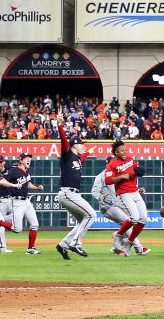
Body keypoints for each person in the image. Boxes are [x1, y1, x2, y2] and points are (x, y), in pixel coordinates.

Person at [54, 110, 95, 259]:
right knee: (91, 215)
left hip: (71, 194)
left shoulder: (77, 158)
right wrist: (60, 124)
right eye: (81, 144)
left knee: (82, 221)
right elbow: (63, 140)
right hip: (67, 193)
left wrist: (88, 153)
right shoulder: (67, 154)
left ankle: (63, 245)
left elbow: (83, 156)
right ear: (74, 146)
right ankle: (75, 243)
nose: (83, 146)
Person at [90, 159, 149, 256]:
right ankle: (139, 248)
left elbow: (125, 190)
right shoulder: (101, 176)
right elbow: (94, 191)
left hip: (118, 204)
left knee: (131, 221)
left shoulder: (120, 175)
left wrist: (138, 191)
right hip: (108, 206)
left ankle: (117, 246)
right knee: (128, 220)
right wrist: (100, 197)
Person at [104, 140, 150, 257]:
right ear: (116, 152)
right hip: (124, 194)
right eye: (122, 150)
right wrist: (122, 176)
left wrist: (140, 170)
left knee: (143, 219)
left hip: (135, 192)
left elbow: (139, 170)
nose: (125, 152)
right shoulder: (112, 164)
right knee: (134, 218)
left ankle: (129, 241)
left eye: (125, 150)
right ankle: (118, 235)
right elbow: (108, 180)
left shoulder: (130, 159)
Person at [3, 152, 45, 255]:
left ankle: (30, 249)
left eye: (30, 158)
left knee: (35, 224)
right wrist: (13, 185)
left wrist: (37, 188)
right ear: (20, 160)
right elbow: (2, 180)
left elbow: (28, 184)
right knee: (17, 229)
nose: (29, 160)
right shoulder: (14, 171)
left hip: (26, 201)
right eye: (26, 158)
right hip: (16, 201)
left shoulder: (27, 172)